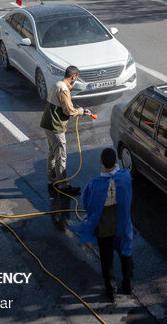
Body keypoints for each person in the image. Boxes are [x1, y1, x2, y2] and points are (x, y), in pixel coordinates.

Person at [72, 148, 134, 302]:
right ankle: (128, 285)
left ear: (101, 162)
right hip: (123, 226)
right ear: (116, 161)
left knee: (107, 260)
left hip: (104, 228)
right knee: (126, 254)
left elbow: (88, 204)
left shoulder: (94, 184)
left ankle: (111, 290)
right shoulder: (125, 177)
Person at [40, 66, 90, 196]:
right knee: (61, 155)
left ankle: (52, 181)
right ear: (73, 77)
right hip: (55, 127)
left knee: (52, 153)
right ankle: (62, 185)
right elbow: (68, 111)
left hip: (47, 124)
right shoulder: (63, 90)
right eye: (76, 78)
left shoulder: (57, 84)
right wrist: (81, 111)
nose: (76, 80)